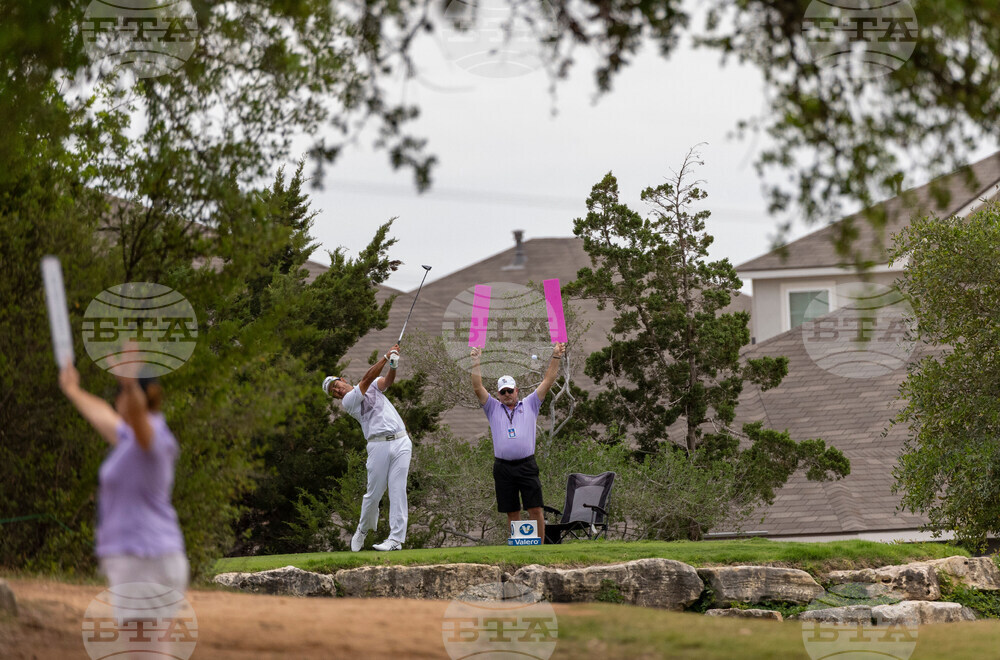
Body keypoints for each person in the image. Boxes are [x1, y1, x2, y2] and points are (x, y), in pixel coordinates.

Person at [58, 360, 188, 598]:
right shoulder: (129, 440)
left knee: (141, 636)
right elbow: (103, 416)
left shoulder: (154, 437)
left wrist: (129, 388)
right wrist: (73, 390)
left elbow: (140, 422)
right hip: (144, 557)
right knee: (148, 636)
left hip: (146, 558)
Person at [470, 342, 566, 544]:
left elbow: (548, 380)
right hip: (503, 467)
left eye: (510, 391)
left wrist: (556, 356)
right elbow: (477, 386)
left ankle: (538, 546)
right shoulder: (493, 408)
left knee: (535, 508)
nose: (507, 395)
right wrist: (475, 361)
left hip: (526, 465)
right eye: (503, 392)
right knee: (512, 511)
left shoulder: (531, 403)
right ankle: (516, 545)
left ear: (517, 390)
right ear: (498, 394)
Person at [323, 343, 411, 552]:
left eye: (336, 385)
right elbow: (367, 379)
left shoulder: (370, 387)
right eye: (333, 392)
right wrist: (385, 356)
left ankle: (395, 540)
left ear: (343, 380)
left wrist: (393, 364)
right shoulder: (349, 401)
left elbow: (386, 381)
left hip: (401, 441)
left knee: (398, 489)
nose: (336, 391)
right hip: (378, 445)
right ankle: (362, 529)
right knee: (374, 493)